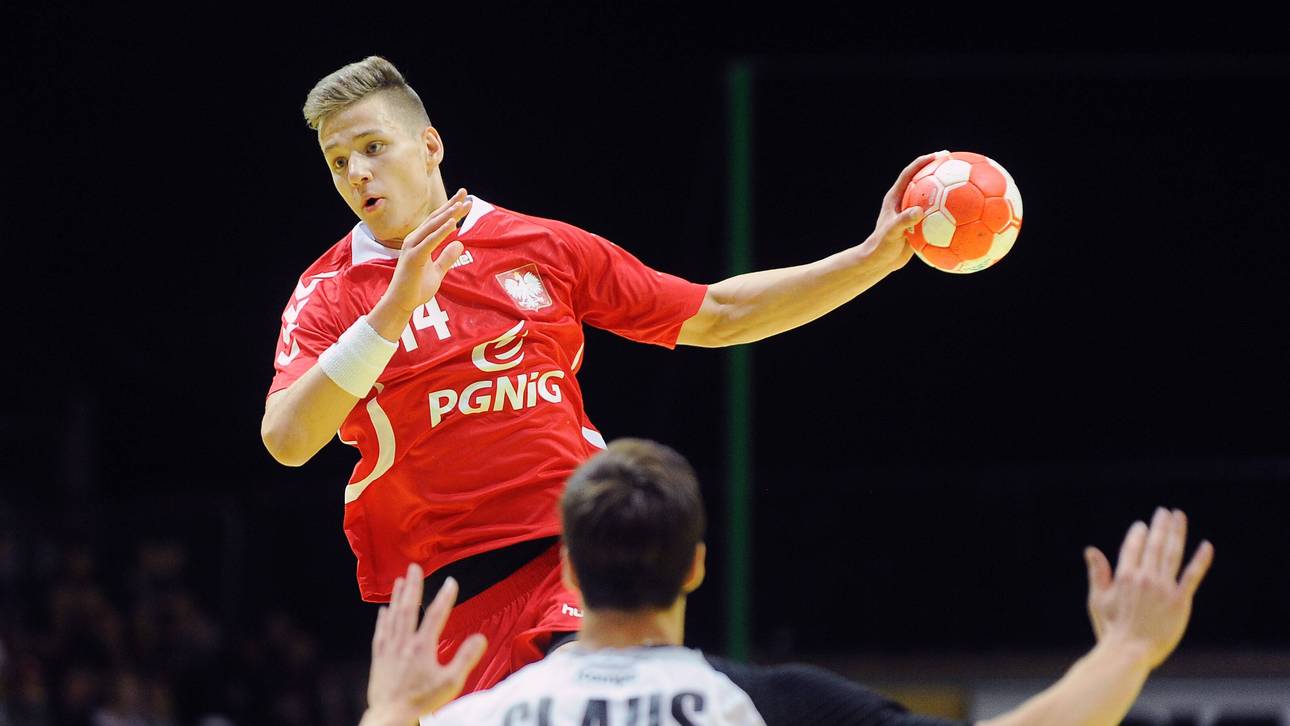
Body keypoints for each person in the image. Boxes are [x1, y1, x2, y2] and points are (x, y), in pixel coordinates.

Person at [260, 55, 933, 693]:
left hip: (575, 556)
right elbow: (287, 440)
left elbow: (717, 313)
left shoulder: (541, 247)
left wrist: (869, 261)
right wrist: (392, 311)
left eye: (373, 147)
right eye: (338, 161)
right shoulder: (330, 292)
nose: (356, 173)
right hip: (446, 595)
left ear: (430, 146)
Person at [355, 439, 1214, 725]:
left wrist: (389, 711)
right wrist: (1131, 648)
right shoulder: (772, 703)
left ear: (568, 567)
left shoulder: (485, 713)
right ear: (696, 563)